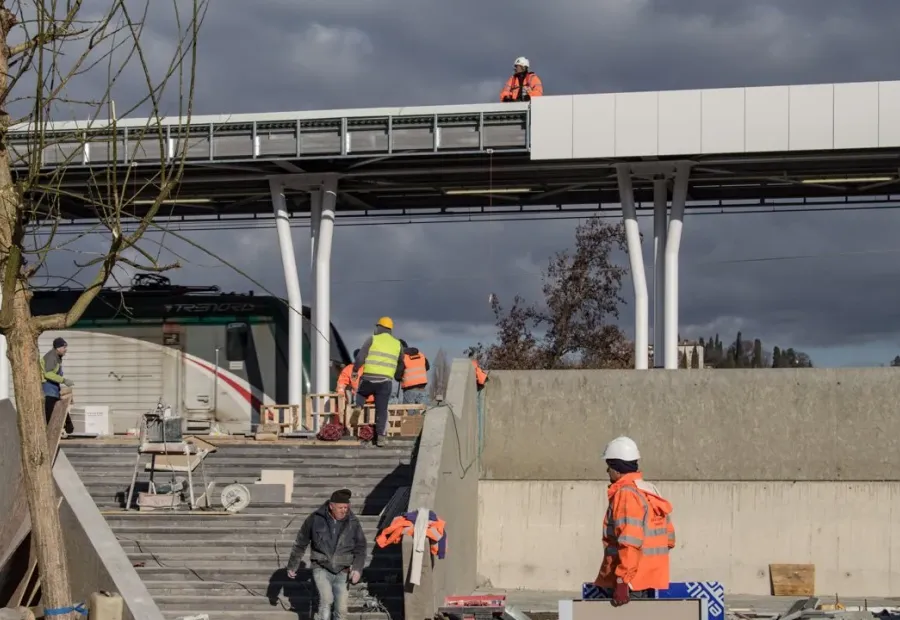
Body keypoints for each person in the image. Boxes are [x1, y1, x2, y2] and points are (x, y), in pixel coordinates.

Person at [592, 436, 675, 607]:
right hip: (645, 579)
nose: (607, 471)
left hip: (628, 583)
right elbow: (669, 539)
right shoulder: (648, 491)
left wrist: (623, 580)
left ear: (617, 468)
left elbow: (629, 540)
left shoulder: (626, 494)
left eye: (609, 466)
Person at [286, 488, 368, 620]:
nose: (344, 511)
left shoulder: (353, 522)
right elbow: (301, 543)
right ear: (331, 506)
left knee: (341, 609)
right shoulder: (314, 519)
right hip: (321, 567)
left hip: (343, 570)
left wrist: (357, 569)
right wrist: (293, 565)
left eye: (346, 507)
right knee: (326, 601)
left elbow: (361, 547)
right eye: (340, 507)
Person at [352, 317, 404, 447]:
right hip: (385, 381)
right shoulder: (397, 344)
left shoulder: (372, 339)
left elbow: (360, 357)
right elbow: (401, 363)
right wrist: (397, 376)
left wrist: (355, 370)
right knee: (381, 409)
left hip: (369, 377)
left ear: (379, 327)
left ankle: (358, 406)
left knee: (361, 394)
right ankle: (381, 437)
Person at [42, 337, 74, 434]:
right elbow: (48, 374)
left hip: (53, 388)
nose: (65, 349)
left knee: (60, 407)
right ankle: (51, 433)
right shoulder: (52, 357)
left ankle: (69, 427)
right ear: (58, 348)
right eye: (64, 347)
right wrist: (63, 380)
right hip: (48, 388)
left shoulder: (57, 357)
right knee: (50, 412)